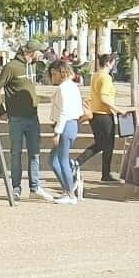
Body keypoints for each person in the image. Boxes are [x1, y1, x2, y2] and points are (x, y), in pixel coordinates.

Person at [0, 38, 54, 202]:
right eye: (39, 51)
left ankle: (35, 187)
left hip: (33, 116)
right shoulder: (11, 67)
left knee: (35, 153)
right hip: (16, 117)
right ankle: (16, 188)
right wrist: (1, 110)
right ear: (29, 52)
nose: (41, 54)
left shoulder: (33, 65)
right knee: (16, 153)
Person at [75, 53, 120, 183]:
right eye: (113, 62)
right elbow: (104, 98)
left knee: (101, 144)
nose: (113, 65)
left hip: (95, 114)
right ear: (108, 63)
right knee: (106, 144)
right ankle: (81, 163)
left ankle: (104, 172)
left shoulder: (95, 75)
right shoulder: (106, 78)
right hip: (104, 114)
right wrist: (118, 110)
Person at [48, 59, 85, 204]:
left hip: (65, 125)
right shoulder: (72, 87)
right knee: (54, 159)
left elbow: (64, 111)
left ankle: (70, 193)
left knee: (61, 160)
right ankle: (67, 188)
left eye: (54, 74)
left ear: (61, 73)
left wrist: (57, 132)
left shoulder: (64, 88)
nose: (53, 77)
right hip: (71, 125)